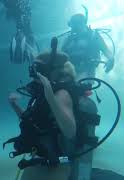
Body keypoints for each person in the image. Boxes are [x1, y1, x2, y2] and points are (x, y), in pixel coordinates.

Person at [6, 38, 79, 180]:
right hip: (42, 155)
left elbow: (70, 132)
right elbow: (31, 120)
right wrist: (14, 106)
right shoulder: (42, 91)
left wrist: (51, 97)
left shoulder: (60, 94)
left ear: (50, 71)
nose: (33, 74)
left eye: (37, 69)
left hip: (59, 160)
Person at [61, 13, 115, 80]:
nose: (74, 28)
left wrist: (111, 59)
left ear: (83, 23)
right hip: (68, 74)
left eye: (77, 24)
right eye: (73, 25)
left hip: (87, 74)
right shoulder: (68, 39)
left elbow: (106, 50)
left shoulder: (93, 36)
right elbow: (60, 54)